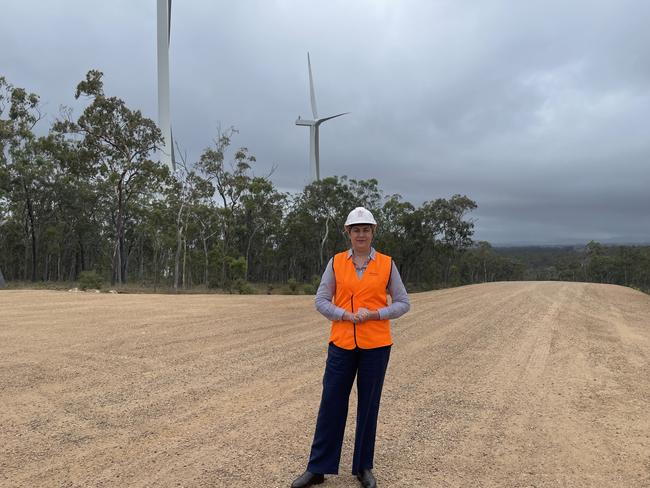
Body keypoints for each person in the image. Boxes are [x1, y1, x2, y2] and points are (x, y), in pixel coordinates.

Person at [291, 207, 410, 488]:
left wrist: (376, 314)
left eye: (366, 229)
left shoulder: (386, 264)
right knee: (331, 403)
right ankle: (318, 467)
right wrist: (344, 314)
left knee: (369, 405)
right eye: (356, 229)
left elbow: (403, 302)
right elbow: (321, 300)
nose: (361, 234)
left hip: (376, 345)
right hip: (342, 344)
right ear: (348, 232)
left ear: (373, 232)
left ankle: (363, 467)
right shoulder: (335, 263)